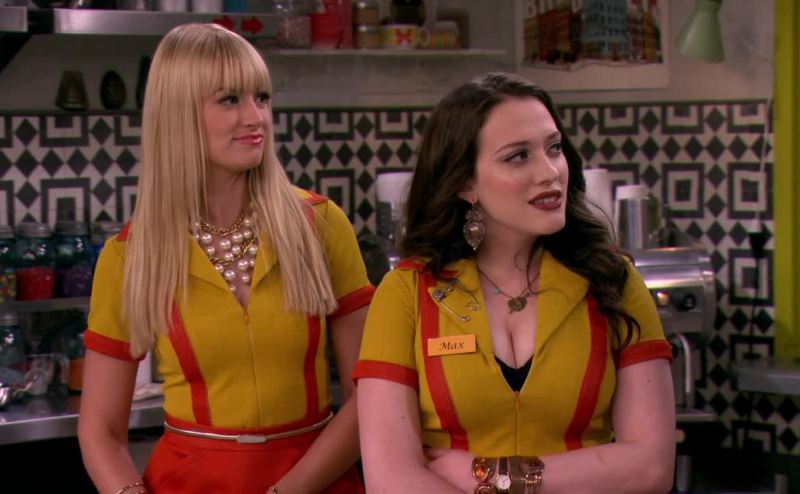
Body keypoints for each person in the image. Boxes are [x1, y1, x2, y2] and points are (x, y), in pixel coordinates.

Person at [78, 23, 373, 494]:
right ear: (178, 114)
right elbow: (100, 432)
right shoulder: (129, 256)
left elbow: (371, 395)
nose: (256, 117)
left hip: (317, 480)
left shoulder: (320, 225)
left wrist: (288, 491)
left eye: (262, 98)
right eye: (230, 100)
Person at [354, 72, 676, 493]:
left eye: (554, 148)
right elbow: (391, 480)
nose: (550, 172)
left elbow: (651, 467)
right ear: (465, 182)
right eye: (518, 156)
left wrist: (492, 475)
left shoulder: (615, 282)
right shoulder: (407, 293)